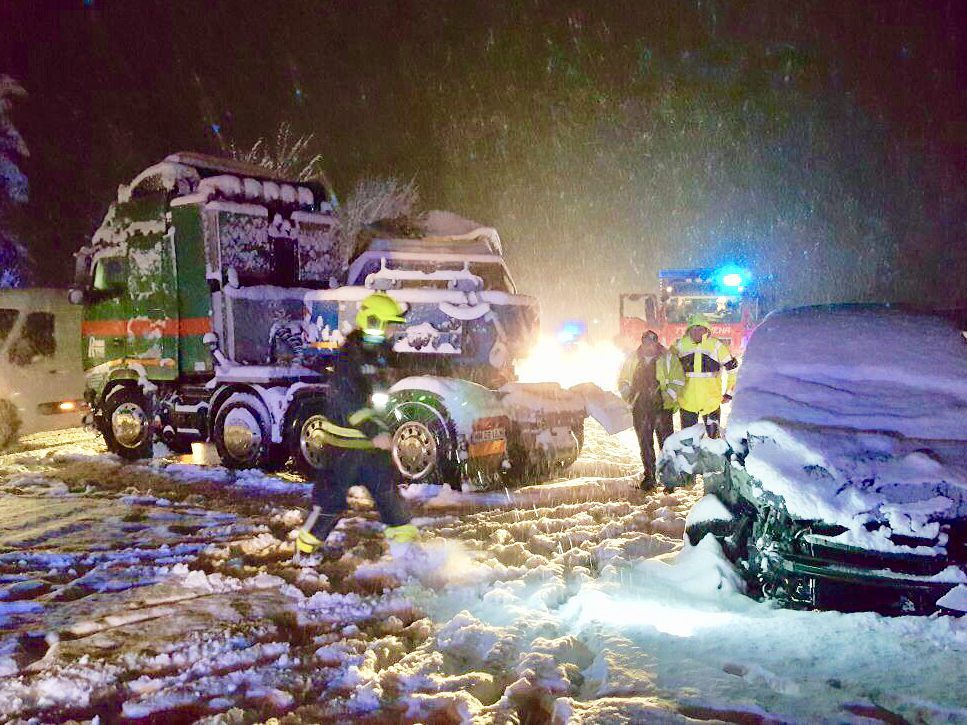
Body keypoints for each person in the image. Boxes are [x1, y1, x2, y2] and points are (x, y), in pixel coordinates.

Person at [294, 292, 418, 560]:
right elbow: (348, 400)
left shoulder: (381, 354)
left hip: (371, 449)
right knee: (329, 504)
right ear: (373, 322)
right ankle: (304, 552)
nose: (392, 331)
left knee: (390, 499)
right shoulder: (350, 357)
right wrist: (374, 431)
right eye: (388, 325)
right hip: (343, 450)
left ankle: (407, 555)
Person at [618, 330, 686, 488]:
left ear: (657, 342)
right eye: (646, 343)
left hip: (662, 408)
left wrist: (666, 397)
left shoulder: (668, 358)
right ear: (642, 343)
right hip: (640, 408)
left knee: (666, 444)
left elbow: (678, 380)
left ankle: (668, 478)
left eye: (652, 342)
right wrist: (629, 396)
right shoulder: (632, 358)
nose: (649, 346)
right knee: (645, 443)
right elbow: (623, 380)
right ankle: (649, 476)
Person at [673, 313, 738, 437]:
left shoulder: (716, 346)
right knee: (688, 444)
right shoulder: (680, 345)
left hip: (711, 403)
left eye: (700, 328)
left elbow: (732, 371)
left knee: (715, 443)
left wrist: (729, 394)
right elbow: (667, 367)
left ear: (706, 330)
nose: (697, 331)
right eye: (694, 328)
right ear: (689, 330)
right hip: (687, 403)